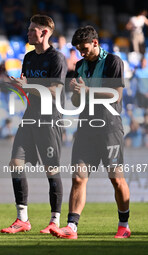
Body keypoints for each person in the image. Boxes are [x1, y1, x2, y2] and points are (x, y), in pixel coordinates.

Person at [50, 26, 131, 239]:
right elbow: (76, 101)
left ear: (95, 42)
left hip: (109, 128)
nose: (81, 53)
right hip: (85, 128)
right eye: (78, 50)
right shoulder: (79, 66)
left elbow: (117, 95)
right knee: (78, 178)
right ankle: (71, 227)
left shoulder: (113, 62)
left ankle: (124, 225)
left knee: (116, 179)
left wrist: (87, 91)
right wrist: (77, 93)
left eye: (84, 48)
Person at [0, 14, 67, 234]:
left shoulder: (56, 59)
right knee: (15, 163)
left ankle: (54, 222)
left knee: (51, 170)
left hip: (49, 120)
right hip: (30, 118)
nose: (28, 33)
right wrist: (19, 88)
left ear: (44, 32)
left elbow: (56, 92)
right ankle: (22, 220)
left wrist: (28, 87)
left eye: (32, 30)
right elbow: (28, 88)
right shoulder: (28, 58)